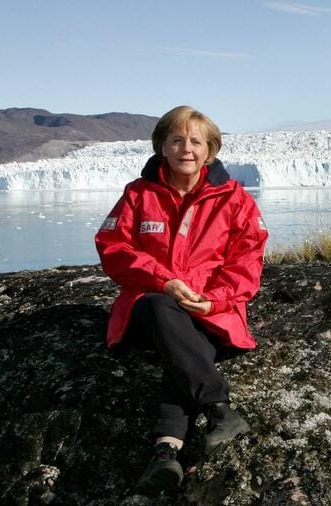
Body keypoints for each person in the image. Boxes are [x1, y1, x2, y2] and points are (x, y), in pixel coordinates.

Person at [94, 105, 268, 494]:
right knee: (162, 309)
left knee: (183, 352)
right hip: (150, 309)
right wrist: (163, 280)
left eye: (195, 141)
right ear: (162, 147)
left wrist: (214, 301)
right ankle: (219, 409)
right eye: (176, 140)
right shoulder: (138, 195)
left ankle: (165, 452)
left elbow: (248, 259)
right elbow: (112, 247)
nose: (185, 149)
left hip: (210, 313)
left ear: (210, 150)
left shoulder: (234, 199)